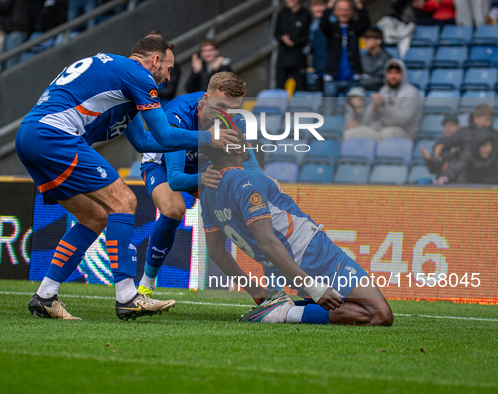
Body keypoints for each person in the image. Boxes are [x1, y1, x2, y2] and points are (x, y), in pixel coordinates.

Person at [16, 37, 239, 321]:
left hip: (29, 136)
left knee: (93, 217)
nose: (169, 77)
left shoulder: (118, 83)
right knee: (124, 202)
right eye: (168, 68)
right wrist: (209, 137)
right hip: (54, 135)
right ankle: (128, 297)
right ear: (154, 61)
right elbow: (165, 135)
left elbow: (144, 141)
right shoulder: (137, 74)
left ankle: (45, 295)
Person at [198, 129, 394, 326]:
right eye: (241, 138)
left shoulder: (207, 194)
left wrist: (254, 290)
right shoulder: (249, 181)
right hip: (312, 253)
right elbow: (266, 241)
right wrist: (312, 286)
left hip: (286, 265)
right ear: (234, 149)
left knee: (354, 307)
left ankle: (282, 307)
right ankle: (288, 312)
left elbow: (216, 251)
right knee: (379, 314)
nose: (247, 141)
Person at [138, 72, 268, 297]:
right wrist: (204, 179)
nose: (225, 114)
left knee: (246, 208)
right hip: (161, 163)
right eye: (220, 106)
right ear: (205, 98)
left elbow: (250, 164)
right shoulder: (178, 115)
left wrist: (264, 183)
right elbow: (176, 179)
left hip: (201, 164)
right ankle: (146, 285)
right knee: (173, 209)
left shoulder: (232, 119)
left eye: (231, 108)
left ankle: (263, 291)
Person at [344, 59, 422, 141]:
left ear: (403, 74)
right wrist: (375, 106)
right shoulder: (384, 90)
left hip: (404, 132)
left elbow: (401, 120)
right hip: (380, 129)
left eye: (396, 72)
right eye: (390, 73)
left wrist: (383, 106)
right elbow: (371, 117)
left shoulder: (411, 92)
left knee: (386, 134)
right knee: (350, 133)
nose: (393, 76)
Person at [320, 0, 370, 114]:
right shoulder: (331, 28)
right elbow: (322, 23)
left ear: (352, 11)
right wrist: (329, 6)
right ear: (336, 12)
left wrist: (359, 5)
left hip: (352, 79)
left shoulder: (355, 27)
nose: (344, 13)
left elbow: (366, 23)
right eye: (341, 10)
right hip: (332, 79)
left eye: (347, 10)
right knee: (329, 111)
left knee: (353, 113)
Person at [274, 0, 311, 91]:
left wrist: (293, 41)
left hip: (298, 58)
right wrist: (283, 39)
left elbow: (307, 36)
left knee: (301, 87)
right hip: (283, 58)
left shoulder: (305, 14)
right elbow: (276, 33)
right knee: (279, 87)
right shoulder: (282, 13)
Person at [0, 0, 27, 69]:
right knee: (2, 65)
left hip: (16, 31)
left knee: (11, 66)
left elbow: (1, 8)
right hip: (10, 31)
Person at [145, 30, 180, 106]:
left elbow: (170, 90)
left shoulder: (170, 63)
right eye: (150, 42)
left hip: (166, 106)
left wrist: (149, 93)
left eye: (158, 42)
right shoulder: (141, 63)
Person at [359, 28, 392, 92]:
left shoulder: (387, 57)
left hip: (381, 90)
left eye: (369, 38)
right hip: (363, 89)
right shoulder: (363, 56)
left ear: (378, 40)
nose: (366, 41)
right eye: (365, 38)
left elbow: (385, 79)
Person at [305, 0, 327, 92]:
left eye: (321, 5)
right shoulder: (313, 26)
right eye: (315, 5)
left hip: (332, 69)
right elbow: (310, 45)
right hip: (318, 67)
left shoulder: (334, 22)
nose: (318, 8)